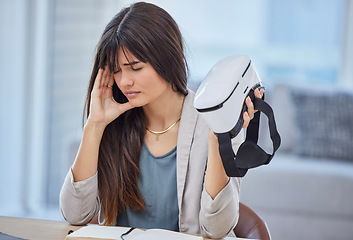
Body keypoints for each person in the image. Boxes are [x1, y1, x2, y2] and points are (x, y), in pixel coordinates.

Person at [59, 2, 264, 239]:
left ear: (166, 59)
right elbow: (75, 215)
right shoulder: (113, 123)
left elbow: (216, 229)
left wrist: (219, 140)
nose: (124, 81)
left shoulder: (214, 121)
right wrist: (94, 125)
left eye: (135, 68)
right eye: (116, 70)